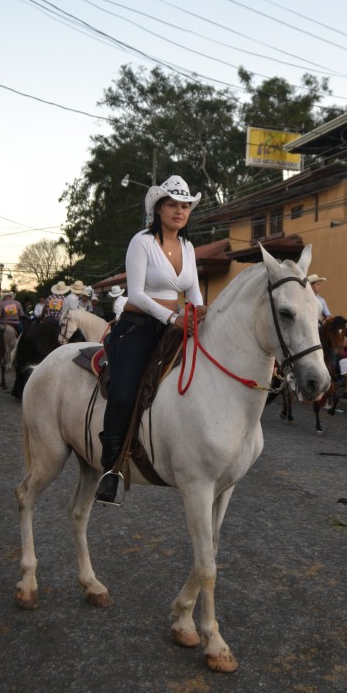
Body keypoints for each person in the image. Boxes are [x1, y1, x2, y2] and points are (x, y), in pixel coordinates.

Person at [96, 175, 206, 504]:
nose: (179, 211)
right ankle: (110, 468)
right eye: (172, 204)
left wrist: (201, 314)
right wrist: (173, 318)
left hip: (175, 327)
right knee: (124, 393)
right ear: (159, 208)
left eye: (185, 206)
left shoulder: (188, 247)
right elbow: (137, 294)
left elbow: (194, 293)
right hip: (139, 327)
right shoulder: (141, 242)